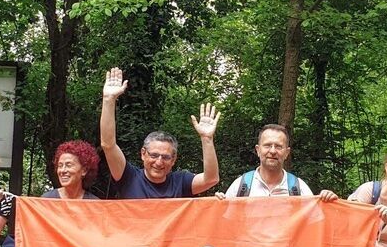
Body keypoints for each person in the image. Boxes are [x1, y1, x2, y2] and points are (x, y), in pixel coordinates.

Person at [99, 66, 220, 198]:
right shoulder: (128, 177)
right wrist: (108, 100)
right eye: (154, 155)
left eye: (166, 157)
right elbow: (108, 145)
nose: (159, 162)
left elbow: (211, 179)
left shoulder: (180, 182)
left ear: (173, 160)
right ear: (143, 154)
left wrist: (207, 139)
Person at [222, 124, 336, 200]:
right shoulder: (241, 186)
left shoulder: (298, 189)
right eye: (267, 145)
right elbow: (224, 225)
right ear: (258, 150)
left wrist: (329, 204)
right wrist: (216, 204)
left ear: (287, 152)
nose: (272, 151)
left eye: (278, 146)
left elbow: (316, 227)